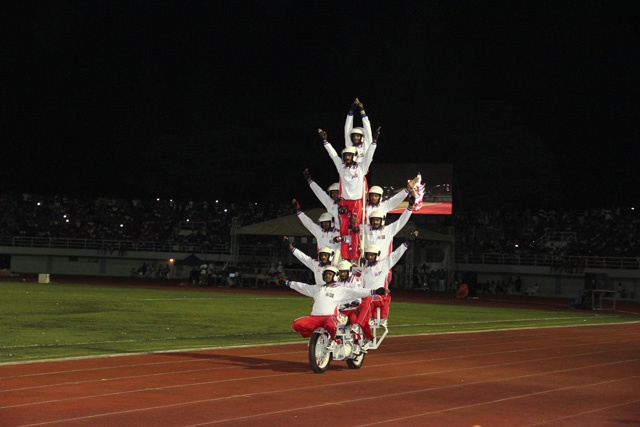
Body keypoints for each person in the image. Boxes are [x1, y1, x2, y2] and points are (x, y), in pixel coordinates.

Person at [280, 265, 389, 340]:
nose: (327, 276)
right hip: (314, 318)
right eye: (326, 274)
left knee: (331, 326)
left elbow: (358, 292)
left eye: (330, 274)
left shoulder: (340, 290)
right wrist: (287, 283)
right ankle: (314, 337)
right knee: (296, 324)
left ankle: (334, 340)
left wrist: (375, 291)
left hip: (330, 317)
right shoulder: (317, 288)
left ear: (335, 276)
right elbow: (302, 287)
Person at [319, 128, 377, 261]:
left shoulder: (361, 168)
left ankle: (356, 255)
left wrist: (374, 141)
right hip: (344, 201)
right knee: (344, 226)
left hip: (357, 202)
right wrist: (325, 141)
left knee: (355, 229)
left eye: (350, 155)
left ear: (354, 156)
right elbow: (333, 155)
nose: (347, 157)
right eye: (346, 156)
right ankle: (345, 255)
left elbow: (368, 155)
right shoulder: (341, 167)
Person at [360, 231, 419, 327]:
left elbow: (397, 254)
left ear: (377, 255)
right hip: (368, 298)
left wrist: (408, 242)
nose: (370, 257)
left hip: (380, 296)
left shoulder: (384, 264)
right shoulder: (364, 270)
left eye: (372, 255)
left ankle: (382, 319)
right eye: (368, 255)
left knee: (385, 297)